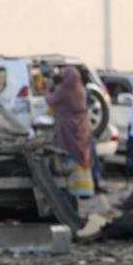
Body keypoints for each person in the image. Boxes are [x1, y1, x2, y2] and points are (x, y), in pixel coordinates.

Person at [47, 67, 93, 198]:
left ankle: (73, 190)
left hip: (68, 130)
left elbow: (50, 100)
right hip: (82, 129)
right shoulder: (81, 90)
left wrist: (48, 89)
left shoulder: (64, 91)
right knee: (82, 156)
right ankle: (85, 191)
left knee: (69, 155)